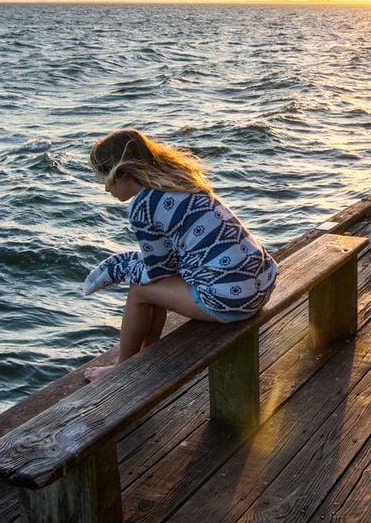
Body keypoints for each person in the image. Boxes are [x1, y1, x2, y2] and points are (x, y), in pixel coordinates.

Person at [82, 128, 278, 381]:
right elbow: (171, 262)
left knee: (139, 289)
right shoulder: (181, 181)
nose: (105, 188)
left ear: (121, 173)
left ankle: (122, 367)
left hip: (233, 301)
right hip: (261, 285)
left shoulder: (143, 206)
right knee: (150, 286)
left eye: (103, 179)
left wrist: (122, 266)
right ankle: (146, 355)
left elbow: (159, 271)